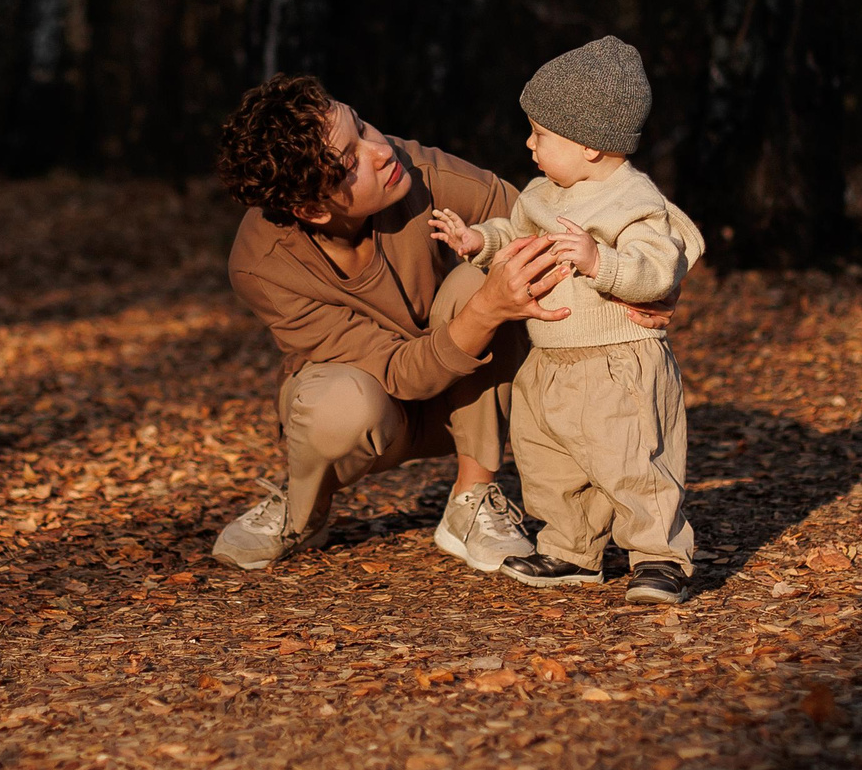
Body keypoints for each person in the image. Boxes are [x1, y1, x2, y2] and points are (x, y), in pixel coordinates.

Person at [210, 74, 670, 573]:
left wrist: (644, 281)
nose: (381, 151)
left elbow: (566, 220)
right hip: (377, 408)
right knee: (337, 405)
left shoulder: (423, 173)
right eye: (350, 161)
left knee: (493, 273)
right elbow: (399, 372)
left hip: (476, 399)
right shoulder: (263, 264)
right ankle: (304, 506)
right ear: (312, 208)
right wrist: (488, 308)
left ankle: (473, 498)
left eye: (362, 126)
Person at [429, 37, 704, 605]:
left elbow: (659, 265)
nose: (529, 144)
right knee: (548, 458)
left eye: (541, 135)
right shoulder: (543, 191)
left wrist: (598, 261)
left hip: (615, 359)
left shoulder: (633, 200)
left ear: (591, 146)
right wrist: (479, 240)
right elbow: (516, 233)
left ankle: (659, 556)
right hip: (549, 356)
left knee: (631, 461)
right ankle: (571, 547)